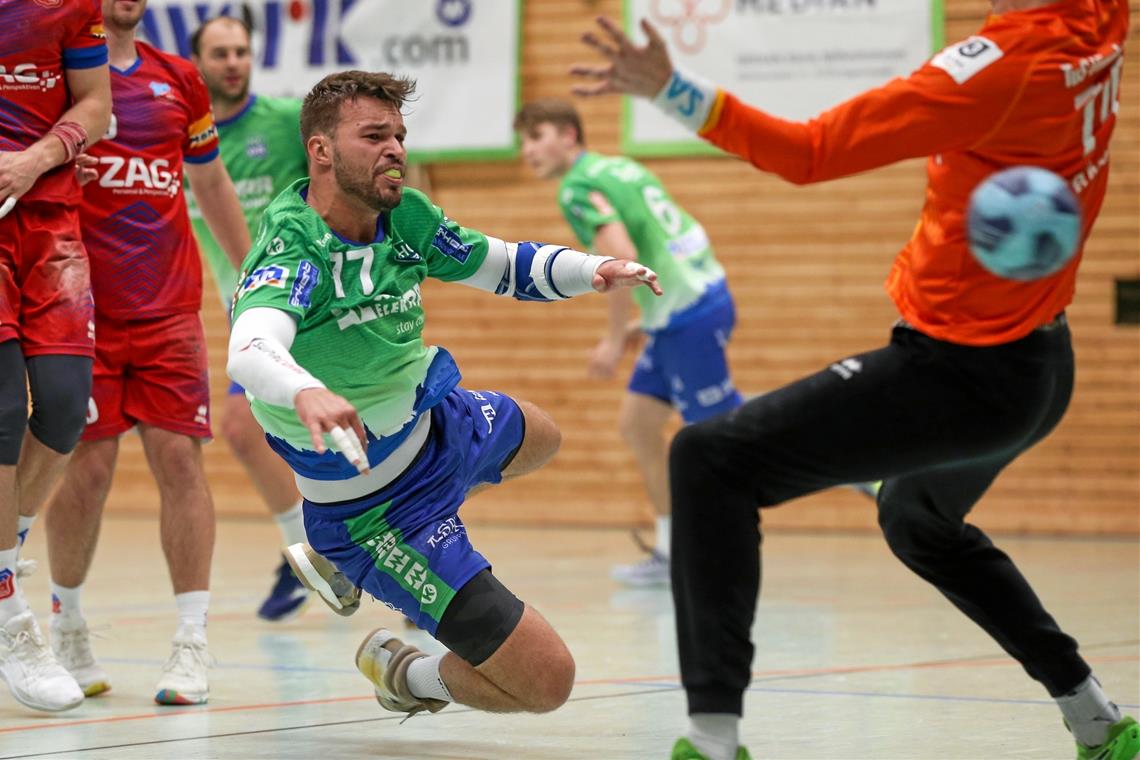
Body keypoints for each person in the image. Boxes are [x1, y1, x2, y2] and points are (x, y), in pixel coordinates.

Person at [571, 2, 1137, 758]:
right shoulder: (1101, 22)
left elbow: (809, 151)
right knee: (918, 522)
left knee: (709, 460)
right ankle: (1098, 718)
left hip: (959, 375)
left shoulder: (999, 66)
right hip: (1041, 366)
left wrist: (674, 89)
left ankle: (712, 739)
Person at [226, 70, 661, 719]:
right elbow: (250, 346)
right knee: (547, 682)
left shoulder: (402, 215)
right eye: (374, 135)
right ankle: (409, 673)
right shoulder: (296, 245)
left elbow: (502, 264)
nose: (395, 148)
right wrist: (307, 391)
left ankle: (349, 559)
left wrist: (589, 270)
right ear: (320, 151)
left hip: (439, 425)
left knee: (542, 436)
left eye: (398, 134)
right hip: (376, 513)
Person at [42, 0, 251, 706]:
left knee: (178, 459)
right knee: (88, 468)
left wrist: (252, 278)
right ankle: (66, 621)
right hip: (81, 307)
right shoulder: (60, 77)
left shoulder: (180, 80)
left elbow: (211, 180)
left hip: (168, 310)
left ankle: (191, 642)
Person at [513, 99, 741, 587]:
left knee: (726, 437)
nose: (527, 150)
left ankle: (838, 462)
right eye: (522, 141)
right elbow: (665, 232)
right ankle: (671, 548)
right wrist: (650, 318)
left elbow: (620, 259)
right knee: (639, 426)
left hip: (687, 316)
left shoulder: (577, 186)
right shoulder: (618, 166)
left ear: (570, 136)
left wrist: (615, 339)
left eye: (537, 136)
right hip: (692, 301)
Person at [0, 0, 112, 714]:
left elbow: (95, 105)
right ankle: (11, 614)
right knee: (5, 409)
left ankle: (1, 550)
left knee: (68, 406)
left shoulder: (71, 6)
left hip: (50, 221)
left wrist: (33, 160)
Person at [188, 15, 312, 621]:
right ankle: (312, 549)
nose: (234, 61)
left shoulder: (287, 120)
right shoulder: (182, 141)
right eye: (221, 53)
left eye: (241, 51)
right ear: (198, 63)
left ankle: (313, 550)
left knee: (240, 421)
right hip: (247, 313)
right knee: (246, 428)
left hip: (311, 302)